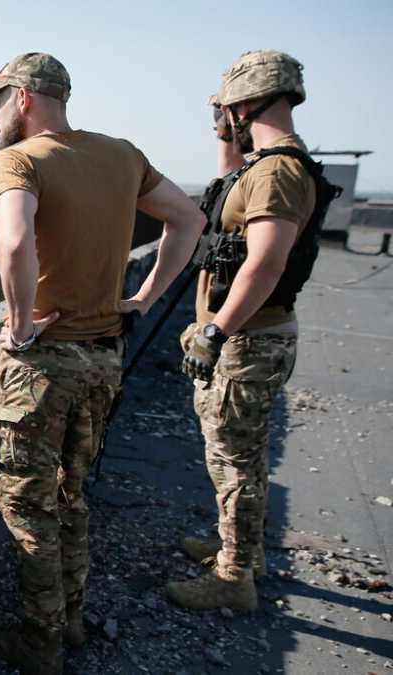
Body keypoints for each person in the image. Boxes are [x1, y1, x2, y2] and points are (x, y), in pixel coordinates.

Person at [0, 52, 205, 674]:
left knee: (28, 511)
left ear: (22, 97)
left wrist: (18, 326)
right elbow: (190, 219)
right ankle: (71, 620)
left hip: (41, 367)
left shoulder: (18, 160)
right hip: (104, 358)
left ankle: (40, 644)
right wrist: (144, 299)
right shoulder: (123, 154)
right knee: (74, 496)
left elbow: (14, 239)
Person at [168, 50, 335, 612]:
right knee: (239, 456)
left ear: (244, 102)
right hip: (250, 336)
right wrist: (225, 133)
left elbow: (264, 260)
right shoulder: (264, 165)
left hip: (248, 340)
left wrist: (216, 330)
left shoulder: (279, 171)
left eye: (229, 109)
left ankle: (234, 578)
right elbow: (224, 200)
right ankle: (239, 549)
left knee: (234, 461)